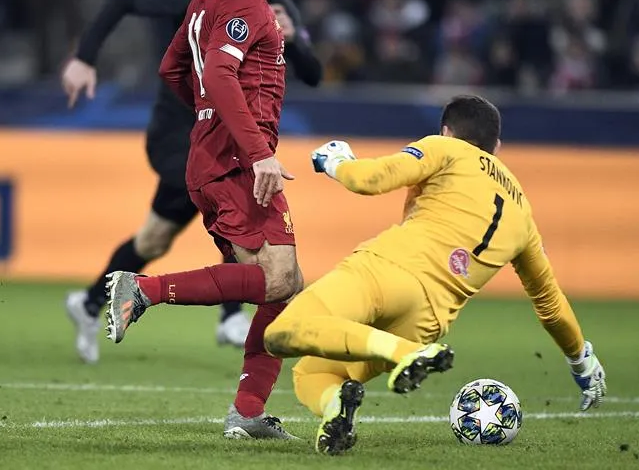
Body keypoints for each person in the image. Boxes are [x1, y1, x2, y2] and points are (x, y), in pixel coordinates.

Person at [258, 94, 607, 455]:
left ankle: (404, 353)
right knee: (312, 373)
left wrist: (336, 161)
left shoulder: (446, 149)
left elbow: (372, 179)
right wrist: (581, 359)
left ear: (446, 131)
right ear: (497, 147)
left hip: (389, 270)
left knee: (281, 333)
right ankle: (336, 411)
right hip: (428, 320)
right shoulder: (523, 216)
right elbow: (549, 303)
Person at [104, 0, 317, 440]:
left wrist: (206, 118)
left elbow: (174, 69)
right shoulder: (246, 5)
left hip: (216, 156)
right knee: (279, 281)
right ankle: (141, 291)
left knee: (282, 286)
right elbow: (219, 76)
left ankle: (247, 413)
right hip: (237, 164)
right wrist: (255, 149)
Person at [61, 0, 322, 365]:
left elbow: (313, 73)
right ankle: (231, 315)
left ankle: (91, 300)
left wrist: (291, 42)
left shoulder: (275, 6)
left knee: (154, 240)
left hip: (226, 144)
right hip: (180, 136)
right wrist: (84, 57)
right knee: (239, 209)